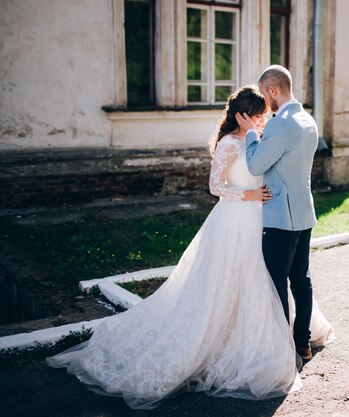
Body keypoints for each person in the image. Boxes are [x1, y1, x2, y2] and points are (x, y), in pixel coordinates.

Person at [47, 86, 334, 410]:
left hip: (262, 220)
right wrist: (249, 196)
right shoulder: (229, 143)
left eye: (264, 114)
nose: (262, 119)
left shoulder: (262, 136)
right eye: (256, 115)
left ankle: (279, 338)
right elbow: (216, 186)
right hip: (234, 220)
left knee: (265, 280)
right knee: (226, 284)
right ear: (241, 116)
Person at [236, 65, 319, 361]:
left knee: (276, 284)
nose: (263, 101)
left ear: (273, 90)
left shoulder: (279, 124)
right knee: (302, 280)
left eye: (264, 93)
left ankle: (282, 349)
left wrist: (249, 135)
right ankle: (303, 344)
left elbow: (256, 165)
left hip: (280, 219)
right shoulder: (308, 120)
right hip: (303, 214)